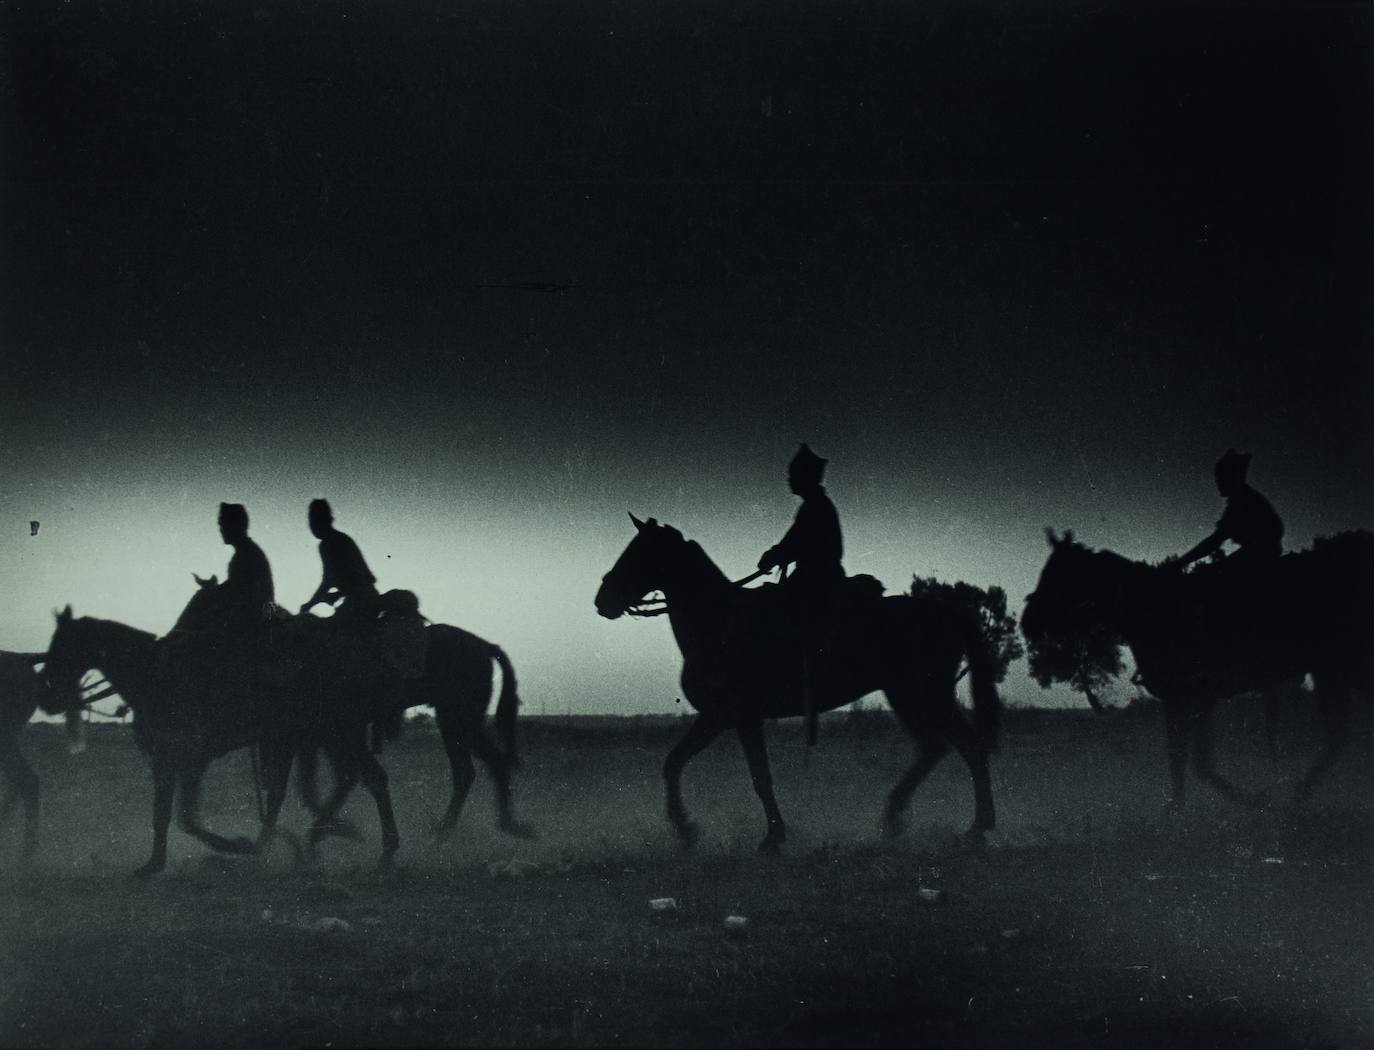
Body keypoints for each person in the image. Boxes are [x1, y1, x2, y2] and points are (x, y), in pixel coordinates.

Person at [757, 444, 845, 743]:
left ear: (804, 477)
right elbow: (793, 542)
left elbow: (797, 543)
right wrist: (777, 554)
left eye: (793, 475)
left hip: (817, 581)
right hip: (810, 577)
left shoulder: (815, 507)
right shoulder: (812, 505)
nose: (788, 479)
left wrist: (776, 555)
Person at [1177, 449, 1284, 574]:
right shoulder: (1243, 499)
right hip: (1261, 555)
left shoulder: (1243, 501)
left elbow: (1215, 541)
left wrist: (1181, 562)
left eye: (1220, 476)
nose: (1217, 481)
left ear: (1233, 476)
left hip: (1262, 559)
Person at [299, 498, 380, 627]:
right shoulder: (342, 538)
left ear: (323, 520)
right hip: (366, 598)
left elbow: (328, 580)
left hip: (360, 603)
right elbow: (361, 578)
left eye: (313, 520)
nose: (311, 526)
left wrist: (310, 603)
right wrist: (339, 593)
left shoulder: (327, 544)